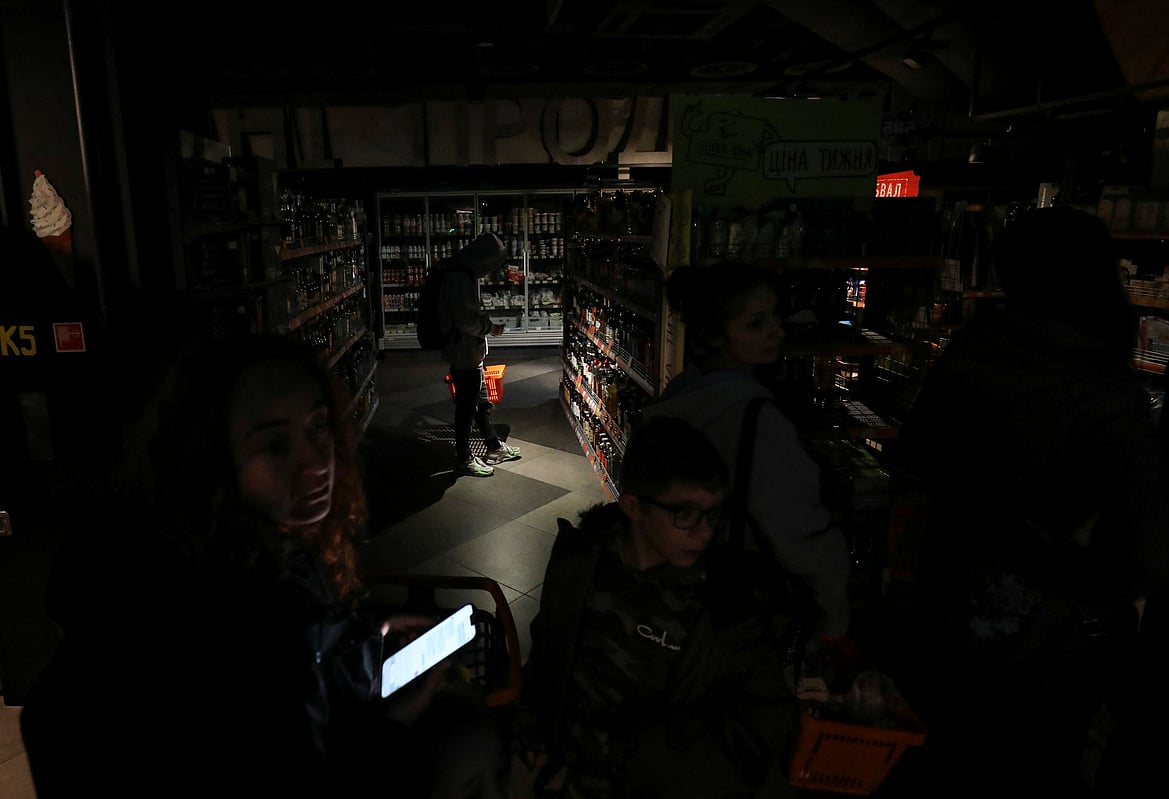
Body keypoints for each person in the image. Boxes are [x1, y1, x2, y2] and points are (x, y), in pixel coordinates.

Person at [19, 334, 505, 798]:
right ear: (210, 458)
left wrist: (356, 636)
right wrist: (394, 720)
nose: (317, 463)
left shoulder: (261, 544)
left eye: (318, 427)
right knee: (470, 744)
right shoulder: (207, 628)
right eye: (275, 446)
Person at [895, 206, 1169, 797]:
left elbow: (914, 462)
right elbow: (1155, 554)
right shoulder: (1104, 395)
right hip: (1045, 651)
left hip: (944, 616)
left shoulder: (974, 353)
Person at [519, 415, 796, 799]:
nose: (704, 532)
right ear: (633, 506)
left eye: (713, 514)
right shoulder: (581, 560)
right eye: (684, 514)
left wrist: (647, 756)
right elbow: (548, 649)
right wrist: (534, 726)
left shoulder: (729, 607)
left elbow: (758, 732)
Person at [641, 264, 853, 667]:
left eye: (775, 316)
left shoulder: (684, 393)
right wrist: (834, 615)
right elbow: (799, 536)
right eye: (756, 324)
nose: (777, 331)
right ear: (716, 335)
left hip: (688, 594)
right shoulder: (757, 419)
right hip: (748, 606)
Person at [440, 232, 522, 477]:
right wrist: (490, 328)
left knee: (480, 402)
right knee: (467, 407)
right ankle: (464, 458)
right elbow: (466, 321)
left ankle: (493, 446)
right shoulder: (459, 278)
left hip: (469, 351)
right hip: (463, 352)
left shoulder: (459, 272)